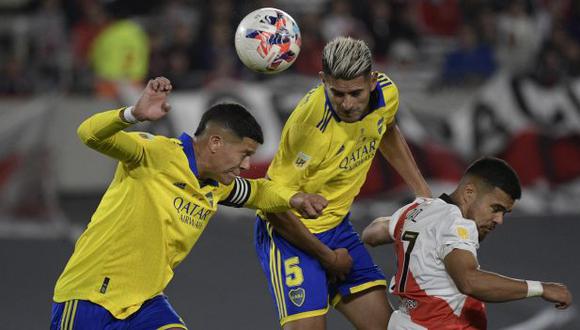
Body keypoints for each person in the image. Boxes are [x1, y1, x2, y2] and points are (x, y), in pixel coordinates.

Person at [51, 77, 331, 329]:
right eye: (244, 154)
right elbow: (88, 134)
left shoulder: (216, 186)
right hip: (90, 297)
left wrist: (295, 198)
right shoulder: (156, 154)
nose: (247, 165)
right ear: (216, 143)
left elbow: (258, 193)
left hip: (144, 304)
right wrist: (132, 114)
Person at [254, 36, 431, 329]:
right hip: (291, 236)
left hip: (337, 230)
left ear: (373, 81)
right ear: (323, 80)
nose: (347, 104)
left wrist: (423, 194)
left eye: (356, 94)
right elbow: (269, 203)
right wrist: (326, 257)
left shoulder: (386, 94)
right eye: (337, 94)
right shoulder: (308, 126)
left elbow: (386, 128)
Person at [362, 157, 573, 329]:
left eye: (505, 212)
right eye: (496, 208)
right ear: (469, 193)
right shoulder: (457, 223)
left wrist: (403, 226)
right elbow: (469, 281)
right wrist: (541, 288)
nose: (499, 220)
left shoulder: (416, 211)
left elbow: (371, 233)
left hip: (405, 322)